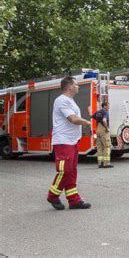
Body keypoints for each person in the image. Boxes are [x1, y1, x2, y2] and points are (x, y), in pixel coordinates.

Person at [47, 76, 91, 210]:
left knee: (71, 172)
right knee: (64, 171)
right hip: (63, 142)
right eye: (76, 84)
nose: (78, 87)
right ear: (70, 86)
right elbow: (72, 119)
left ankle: (74, 200)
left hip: (71, 141)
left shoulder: (70, 101)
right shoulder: (61, 101)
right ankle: (52, 195)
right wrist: (86, 122)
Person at [92, 102, 113, 168]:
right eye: (108, 106)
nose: (109, 107)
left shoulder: (98, 112)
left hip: (98, 130)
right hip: (103, 130)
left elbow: (92, 116)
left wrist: (89, 111)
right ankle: (106, 164)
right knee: (107, 147)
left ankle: (100, 163)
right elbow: (104, 120)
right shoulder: (105, 112)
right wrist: (107, 128)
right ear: (104, 106)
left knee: (99, 147)